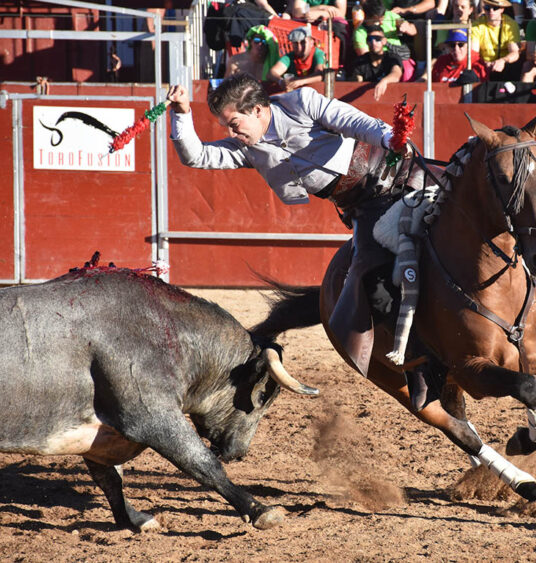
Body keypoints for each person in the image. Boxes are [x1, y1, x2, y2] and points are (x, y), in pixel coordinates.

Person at [166, 74, 420, 384]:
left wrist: (391, 138)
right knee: (372, 283)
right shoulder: (247, 149)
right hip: (364, 208)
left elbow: (356, 122)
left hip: (397, 172)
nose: (232, 133)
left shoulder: (301, 102)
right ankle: (419, 354)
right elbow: (197, 155)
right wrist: (181, 112)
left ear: (258, 110)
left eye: (234, 124)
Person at [470, 0, 522, 81]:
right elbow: (473, 53)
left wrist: (502, 61)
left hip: (505, 66)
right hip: (483, 66)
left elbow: (515, 53)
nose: (491, 11)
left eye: (495, 8)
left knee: (515, 67)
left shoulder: (510, 24)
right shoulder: (476, 25)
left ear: (502, 9)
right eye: (487, 8)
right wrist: (485, 63)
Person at [351, 25, 405, 100]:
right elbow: (357, 83)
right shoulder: (360, 61)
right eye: (370, 39)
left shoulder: (392, 57)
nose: (373, 42)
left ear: (384, 41)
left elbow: (396, 74)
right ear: (366, 42)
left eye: (377, 39)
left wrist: (384, 81)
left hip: (392, 99)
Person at [268, 26, 327, 90]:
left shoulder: (318, 54)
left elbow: (320, 74)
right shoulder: (289, 57)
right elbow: (271, 73)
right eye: (296, 43)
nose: (299, 47)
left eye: (303, 43)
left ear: (311, 43)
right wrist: (281, 81)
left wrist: (300, 81)